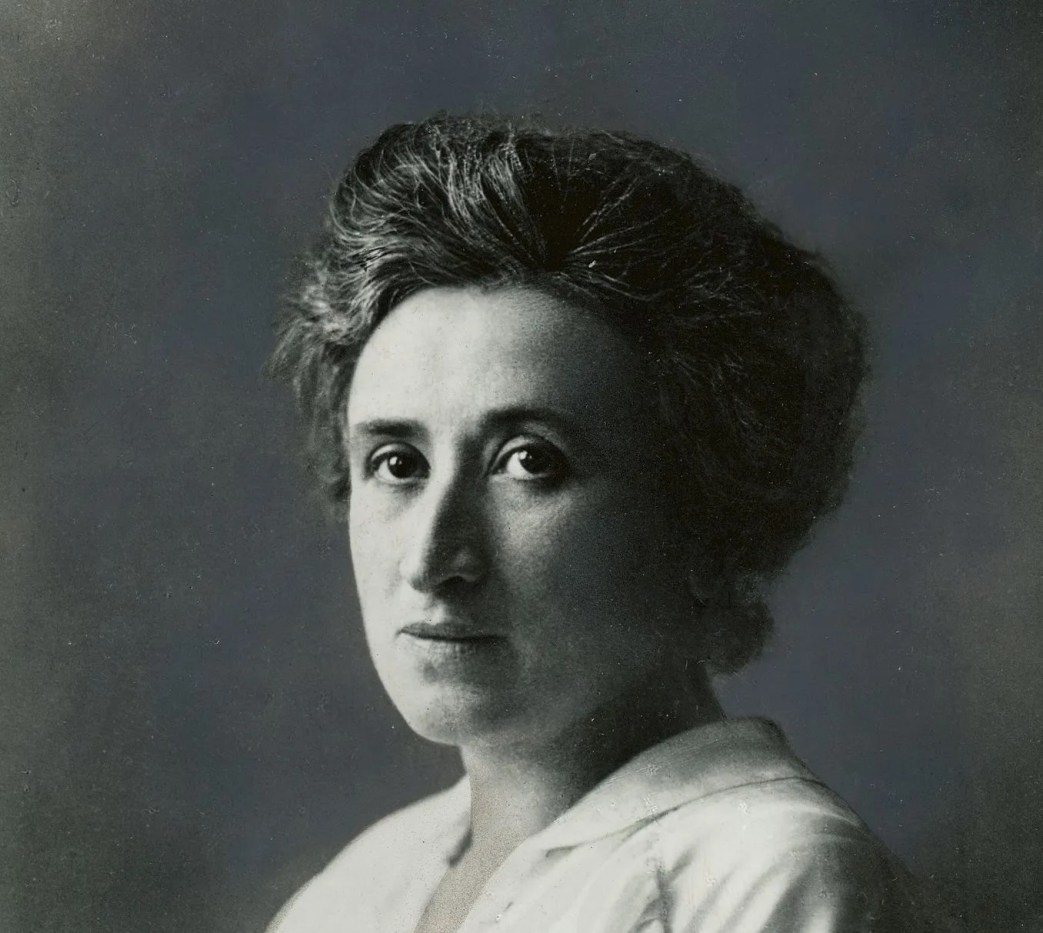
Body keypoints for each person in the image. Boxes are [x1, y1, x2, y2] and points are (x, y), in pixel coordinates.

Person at [265, 114, 937, 932]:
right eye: (397, 463)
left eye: (529, 461)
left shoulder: (768, 876)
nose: (432, 557)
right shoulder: (356, 890)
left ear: (706, 520)